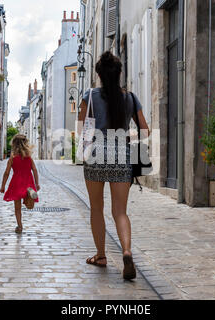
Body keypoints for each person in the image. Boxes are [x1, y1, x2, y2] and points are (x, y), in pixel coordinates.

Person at [78, 51, 150, 280]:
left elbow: (81, 131)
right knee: (120, 211)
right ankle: (126, 252)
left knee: (96, 208)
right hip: (122, 154)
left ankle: (101, 255)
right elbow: (144, 130)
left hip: (96, 154)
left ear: (98, 74)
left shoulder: (89, 96)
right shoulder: (130, 98)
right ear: (119, 74)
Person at [0, 134, 40, 234]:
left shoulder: (12, 158)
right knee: (29, 202)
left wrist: (3, 185)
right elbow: (34, 170)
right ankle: (29, 196)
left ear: (14, 144)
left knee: (17, 208)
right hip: (28, 182)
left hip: (16, 183)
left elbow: (7, 173)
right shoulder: (29, 157)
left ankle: (20, 226)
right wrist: (37, 183)